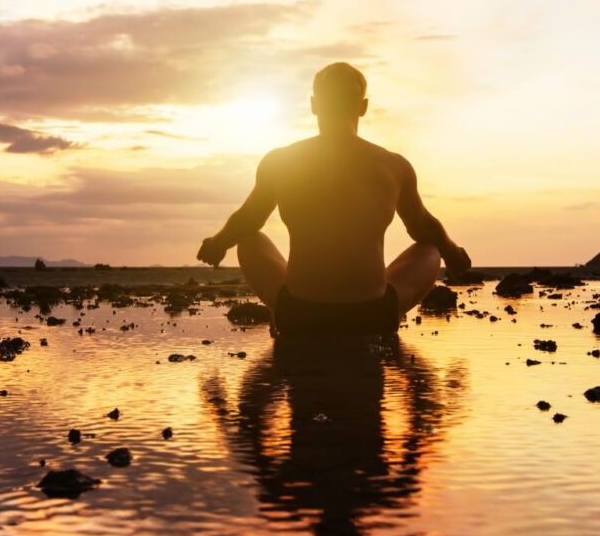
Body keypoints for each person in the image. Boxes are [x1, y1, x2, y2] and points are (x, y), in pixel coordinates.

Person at [197, 62, 472, 335]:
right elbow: (422, 226)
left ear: (314, 105)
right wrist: (452, 253)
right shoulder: (393, 166)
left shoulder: (281, 161)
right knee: (430, 249)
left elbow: (247, 219)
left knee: (248, 237)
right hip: (373, 315)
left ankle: (280, 318)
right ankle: (382, 314)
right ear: (362, 107)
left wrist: (217, 243)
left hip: (300, 314)